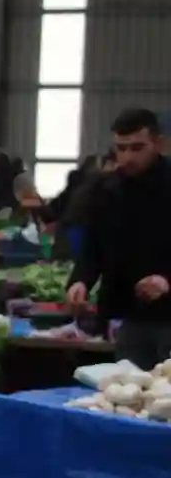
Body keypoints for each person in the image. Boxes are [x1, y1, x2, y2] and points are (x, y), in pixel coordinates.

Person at [67, 107, 171, 368]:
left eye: (137, 148)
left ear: (158, 144)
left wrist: (166, 279)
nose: (127, 157)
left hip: (169, 315)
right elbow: (93, 246)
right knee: (128, 393)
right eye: (120, 148)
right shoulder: (106, 189)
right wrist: (81, 280)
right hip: (128, 316)